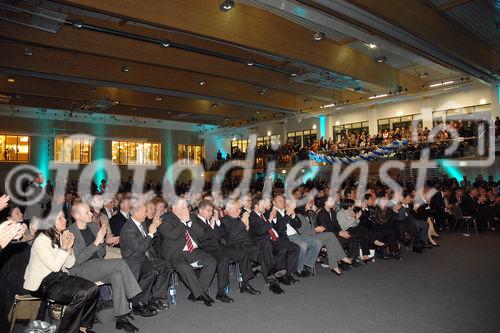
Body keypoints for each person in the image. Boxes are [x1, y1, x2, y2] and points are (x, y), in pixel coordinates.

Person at [68, 203, 143, 332]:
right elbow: (78, 260)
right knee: (121, 263)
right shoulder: (70, 232)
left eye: (89, 211)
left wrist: (101, 242)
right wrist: (97, 241)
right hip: (81, 269)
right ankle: (136, 300)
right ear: (77, 216)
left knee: (117, 276)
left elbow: (101, 253)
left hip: (97, 265)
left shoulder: (93, 225)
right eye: (86, 212)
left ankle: (121, 318)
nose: (91, 214)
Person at [23, 211, 99, 333]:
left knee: (93, 288)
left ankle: (82, 328)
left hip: (58, 276)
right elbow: (54, 266)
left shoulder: (61, 236)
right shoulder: (42, 240)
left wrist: (69, 248)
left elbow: (69, 264)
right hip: (42, 283)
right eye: (59, 218)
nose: (64, 220)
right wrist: (64, 248)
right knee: (81, 294)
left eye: (64, 216)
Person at [190, 199, 260, 302]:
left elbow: (219, 236)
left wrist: (213, 224)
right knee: (223, 258)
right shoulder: (195, 221)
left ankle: (245, 285)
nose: (211, 213)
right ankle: (221, 292)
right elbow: (202, 238)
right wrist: (212, 225)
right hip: (206, 251)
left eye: (212, 211)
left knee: (243, 254)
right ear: (200, 210)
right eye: (208, 211)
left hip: (219, 248)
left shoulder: (209, 221)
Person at [159, 198, 216, 306]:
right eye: (183, 207)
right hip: (175, 253)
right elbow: (173, 235)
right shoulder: (165, 219)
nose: (186, 209)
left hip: (192, 250)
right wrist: (183, 222)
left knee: (211, 261)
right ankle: (200, 294)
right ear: (174, 207)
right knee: (185, 267)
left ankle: (198, 293)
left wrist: (189, 222)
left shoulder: (191, 217)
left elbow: (201, 235)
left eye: (186, 206)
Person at [220, 199, 285, 294]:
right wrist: (243, 221)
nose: (240, 211)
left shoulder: (239, 219)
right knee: (261, 251)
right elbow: (232, 235)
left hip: (248, 244)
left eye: (240, 209)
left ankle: (272, 280)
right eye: (237, 209)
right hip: (236, 247)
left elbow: (248, 233)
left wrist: (247, 226)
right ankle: (248, 284)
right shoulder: (223, 221)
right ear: (229, 210)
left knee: (264, 252)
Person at [120, 202, 169, 316]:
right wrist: (151, 233)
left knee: (166, 265)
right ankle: (138, 304)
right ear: (136, 213)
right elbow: (140, 248)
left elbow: (148, 242)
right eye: (144, 211)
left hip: (145, 257)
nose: (147, 213)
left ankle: (155, 298)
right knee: (150, 272)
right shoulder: (128, 229)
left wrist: (154, 228)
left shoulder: (141, 223)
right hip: (134, 261)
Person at [249, 195, 300, 285]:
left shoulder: (263, 215)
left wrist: (273, 220)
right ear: (256, 205)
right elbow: (261, 231)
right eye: (263, 204)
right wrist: (270, 219)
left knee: (295, 247)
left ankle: (288, 274)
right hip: (265, 241)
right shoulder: (252, 217)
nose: (265, 206)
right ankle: (280, 274)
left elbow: (276, 228)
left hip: (275, 238)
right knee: (283, 249)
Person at [295, 198, 351, 275]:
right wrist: (315, 229)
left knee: (330, 242)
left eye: (311, 203)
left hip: (313, 235)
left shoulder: (308, 213)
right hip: (306, 237)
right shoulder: (298, 215)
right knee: (330, 235)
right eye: (309, 203)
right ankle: (342, 256)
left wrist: (315, 230)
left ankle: (334, 267)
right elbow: (302, 232)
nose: (311, 204)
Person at [272, 195, 321, 278]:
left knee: (317, 243)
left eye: (283, 200)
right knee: (303, 245)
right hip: (287, 237)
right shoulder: (273, 213)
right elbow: (279, 228)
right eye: (279, 201)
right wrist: (288, 214)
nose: (282, 202)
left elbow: (298, 225)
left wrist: (294, 215)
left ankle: (306, 264)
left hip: (297, 234)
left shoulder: (286, 211)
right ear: (274, 202)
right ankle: (299, 269)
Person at [316, 196, 361, 264]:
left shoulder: (332, 212)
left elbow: (337, 224)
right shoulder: (321, 214)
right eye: (331, 201)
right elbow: (324, 229)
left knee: (351, 236)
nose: (333, 202)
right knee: (338, 239)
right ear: (325, 203)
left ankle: (353, 258)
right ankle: (340, 261)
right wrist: (339, 233)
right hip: (326, 235)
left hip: (334, 233)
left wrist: (341, 231)